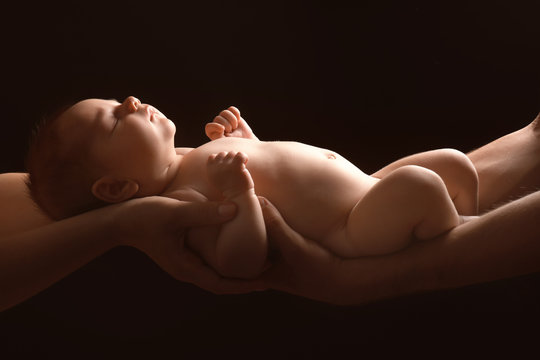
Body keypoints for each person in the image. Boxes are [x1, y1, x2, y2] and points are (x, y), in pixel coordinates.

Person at [26, 96, 479, 280]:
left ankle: (465, 219)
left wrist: (249, 141)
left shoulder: (191, 158)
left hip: (368, 186)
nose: (128, 102)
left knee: (453, 163)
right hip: (352, 229)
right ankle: (460, 243)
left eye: (112, 99)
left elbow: (279, 173)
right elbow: (238, 263)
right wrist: (240, 197)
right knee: (422, 183)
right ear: (117, 187)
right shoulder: (179, 203)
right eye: (112, 120)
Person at [255, 114, 540, 305]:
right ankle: (460, 224)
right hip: (361, 201)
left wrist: (353, 277)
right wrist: (253, 146)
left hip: (351, 227)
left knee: (422, 182)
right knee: (455, 164)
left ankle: (454, 230)